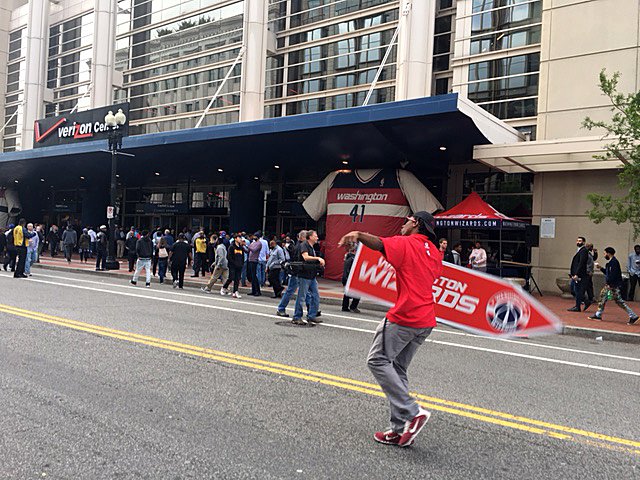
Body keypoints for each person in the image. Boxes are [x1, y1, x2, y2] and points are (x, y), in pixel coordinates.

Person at [338, 211, 442, 448]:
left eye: (407, 220)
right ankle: (398, 429)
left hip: (406, 315)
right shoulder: (434, 251)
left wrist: (358, 234)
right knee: (397, 368)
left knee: (377, 360)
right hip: (426, 319)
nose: (403, 224)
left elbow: (380, 243)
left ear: (415, 223)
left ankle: (412, 412)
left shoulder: (408, 242)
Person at [588, 247, 639, 325]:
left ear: (608, 253)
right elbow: (608, 273)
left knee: (619, 301)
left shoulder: (614, 263)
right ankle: (598, 314)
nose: (604, 255)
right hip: (611, 285)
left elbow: (613, 275)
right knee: (602, 297)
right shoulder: (611, 263)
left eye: (605, 253)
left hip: (612, 286)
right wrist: (601, 268)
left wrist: (609, 283)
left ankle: (633, 316)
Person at [292, 230, 324, 325]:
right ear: (310, 237)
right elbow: (305, 257)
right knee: (302, 297)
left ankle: (312, 316)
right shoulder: (304, 245)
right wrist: (318, 258)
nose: (317, 238)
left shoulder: (311, 246)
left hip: (311, 275)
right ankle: (297, 317)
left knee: (315, 296)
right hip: (304, 275)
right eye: (315, 236)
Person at [277, 230, 306, 317]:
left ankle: (312, 309)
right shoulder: (299, 246)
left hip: (298, 271)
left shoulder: (298, 245)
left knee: (305, 291)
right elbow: (296, 259)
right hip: (297, 272)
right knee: (292, 290)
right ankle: (281, 308)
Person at [568, 236, 589, 312]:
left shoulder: (584, 251)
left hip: (579, 274)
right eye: (577, 240)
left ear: (583, 242)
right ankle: (585, 301)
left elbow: (581, 263)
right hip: (575, 274)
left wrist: (577, 274)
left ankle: (578, 306)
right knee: (573, 289)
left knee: (577, 290)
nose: (578, 242)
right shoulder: (579, 250)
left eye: (580, 241)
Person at [222, 234, 245, 298]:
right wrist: (234, 263)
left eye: (240, 238)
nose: (240, 239)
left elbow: (242, 256)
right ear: (235, 239)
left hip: (239, 265)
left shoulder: (241, 248)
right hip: (232, 265)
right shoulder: (231, 247)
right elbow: (229, 257)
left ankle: (235, 291)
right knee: (231, 277)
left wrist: (241, 263)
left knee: (237, 279)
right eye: (239, 238)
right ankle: (224, 287)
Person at [341, 243, 361, 313]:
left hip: (348, 278)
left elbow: (345, 271)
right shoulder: (352, 259)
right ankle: (352, 307)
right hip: (351, 279)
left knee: (348, 293)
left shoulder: (349, 258)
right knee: (357, 293)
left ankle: (345, 307)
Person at [584, 243, 598, 309]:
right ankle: (585, 298)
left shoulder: (589, 253)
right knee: (586, 285)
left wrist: (595, 253)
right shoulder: (585, 253)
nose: (592, 248)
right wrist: (588, 271)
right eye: (590, 247)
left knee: (589, 285)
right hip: (587, 272)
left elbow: (593, 259)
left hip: (590, 272)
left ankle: (591, 297)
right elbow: (584, 263)